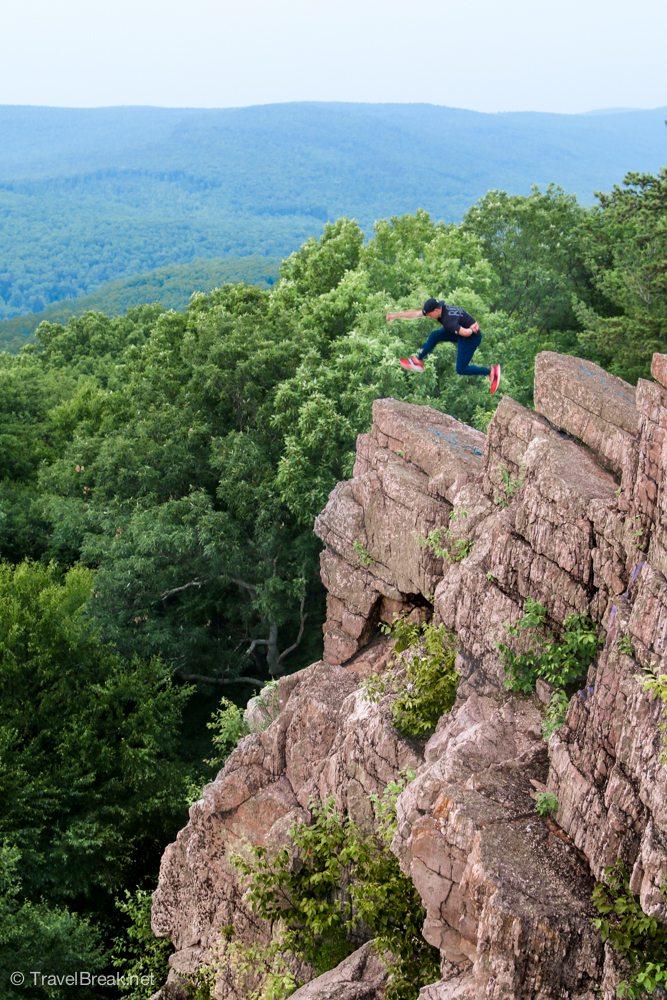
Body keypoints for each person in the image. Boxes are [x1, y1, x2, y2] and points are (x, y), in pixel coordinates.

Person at [387, 297, 501, 394]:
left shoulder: (448, 321)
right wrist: (396, 315)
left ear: (436, 310)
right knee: (435, 335)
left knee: (461, 369)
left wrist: (472, 329)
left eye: (430, 315)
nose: (429, 317)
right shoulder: (441, 308)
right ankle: (418, 360)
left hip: (470, 338)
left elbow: (465, 333)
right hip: (460, 331)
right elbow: (416, 314)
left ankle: (491, 371)